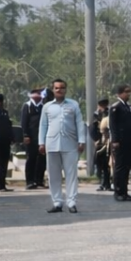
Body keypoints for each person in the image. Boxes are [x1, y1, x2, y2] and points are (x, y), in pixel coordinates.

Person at [38, 79, 86, 213]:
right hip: (51, 144)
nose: (59, 90)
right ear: (53, 90)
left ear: (66, 89)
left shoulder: (73, 105)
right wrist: (41, 143)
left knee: (71, 174)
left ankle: (71, 202)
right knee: (53, 175)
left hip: (70, 144)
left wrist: (81, 140)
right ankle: (57, 202)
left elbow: (79, 123)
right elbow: (43, 125)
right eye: (57, 88)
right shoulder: (47, 106)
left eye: (62, 88)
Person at [108, 86, 131, 201]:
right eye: (126, 92)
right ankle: (118, 191)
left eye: (129, 92)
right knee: (119, 167)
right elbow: (113, 125)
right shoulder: (116, 107)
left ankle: (124, 191)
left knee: (126, 166)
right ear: (120, 93)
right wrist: (115, 140)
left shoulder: (127, 107)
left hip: (128, 140)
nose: (129, 94)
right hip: (120, 141)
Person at [20, 88, 46, 189]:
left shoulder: (43, 107)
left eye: (39, 94)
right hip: (31, 137)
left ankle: (39, 180)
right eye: (35, 94)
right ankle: (30, 181)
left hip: (42, 137)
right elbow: (24, 122)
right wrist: (25, 135)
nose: (37, 96)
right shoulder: (27, 106)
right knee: (31, 159)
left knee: (42, 159)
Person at [89, 99, 112, 191]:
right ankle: (103, 183)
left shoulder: (109, 113)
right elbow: (92, 128)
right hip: (99, 142)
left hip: (108, 141)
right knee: (99, 163)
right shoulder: (95, 115)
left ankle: (107, 184)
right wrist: (96, 139)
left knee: (107, 164)